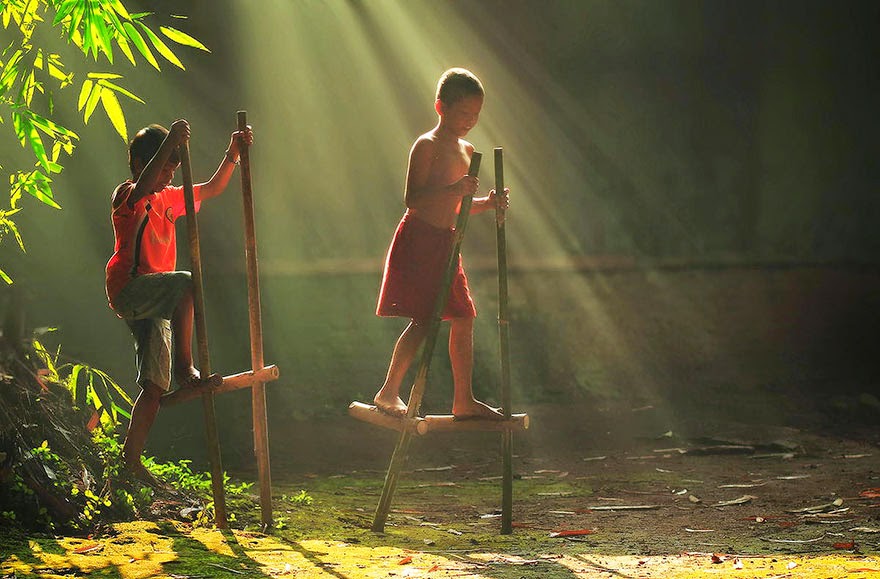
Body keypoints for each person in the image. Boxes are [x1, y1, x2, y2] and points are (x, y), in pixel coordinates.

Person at [105, 119, 253, 483]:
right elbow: (142, 187)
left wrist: (232, 154)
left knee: (154, 386)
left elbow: (211, 188)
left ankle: (131, 460)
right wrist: (170, 138)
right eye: (164, 165)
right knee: (187, 283)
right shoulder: (128, 195)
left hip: (158, 297)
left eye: (174, 166)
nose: (170, 173)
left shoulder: (170, 196)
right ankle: (187, 370)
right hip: (132, 287)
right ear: (140, 165)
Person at [373, 68, 509, 420]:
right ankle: (388, 393)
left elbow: (459, 206)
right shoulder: (427, 145)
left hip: (448, 241)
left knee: (463, 317)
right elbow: (413, 199)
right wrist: (454, 189)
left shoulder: (467, 149)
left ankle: (463, 400)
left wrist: (488, 203)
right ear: (440, 107)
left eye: (476, 115)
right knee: (424, 320)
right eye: (463, 113)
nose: (470, 121)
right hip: (419, 240)